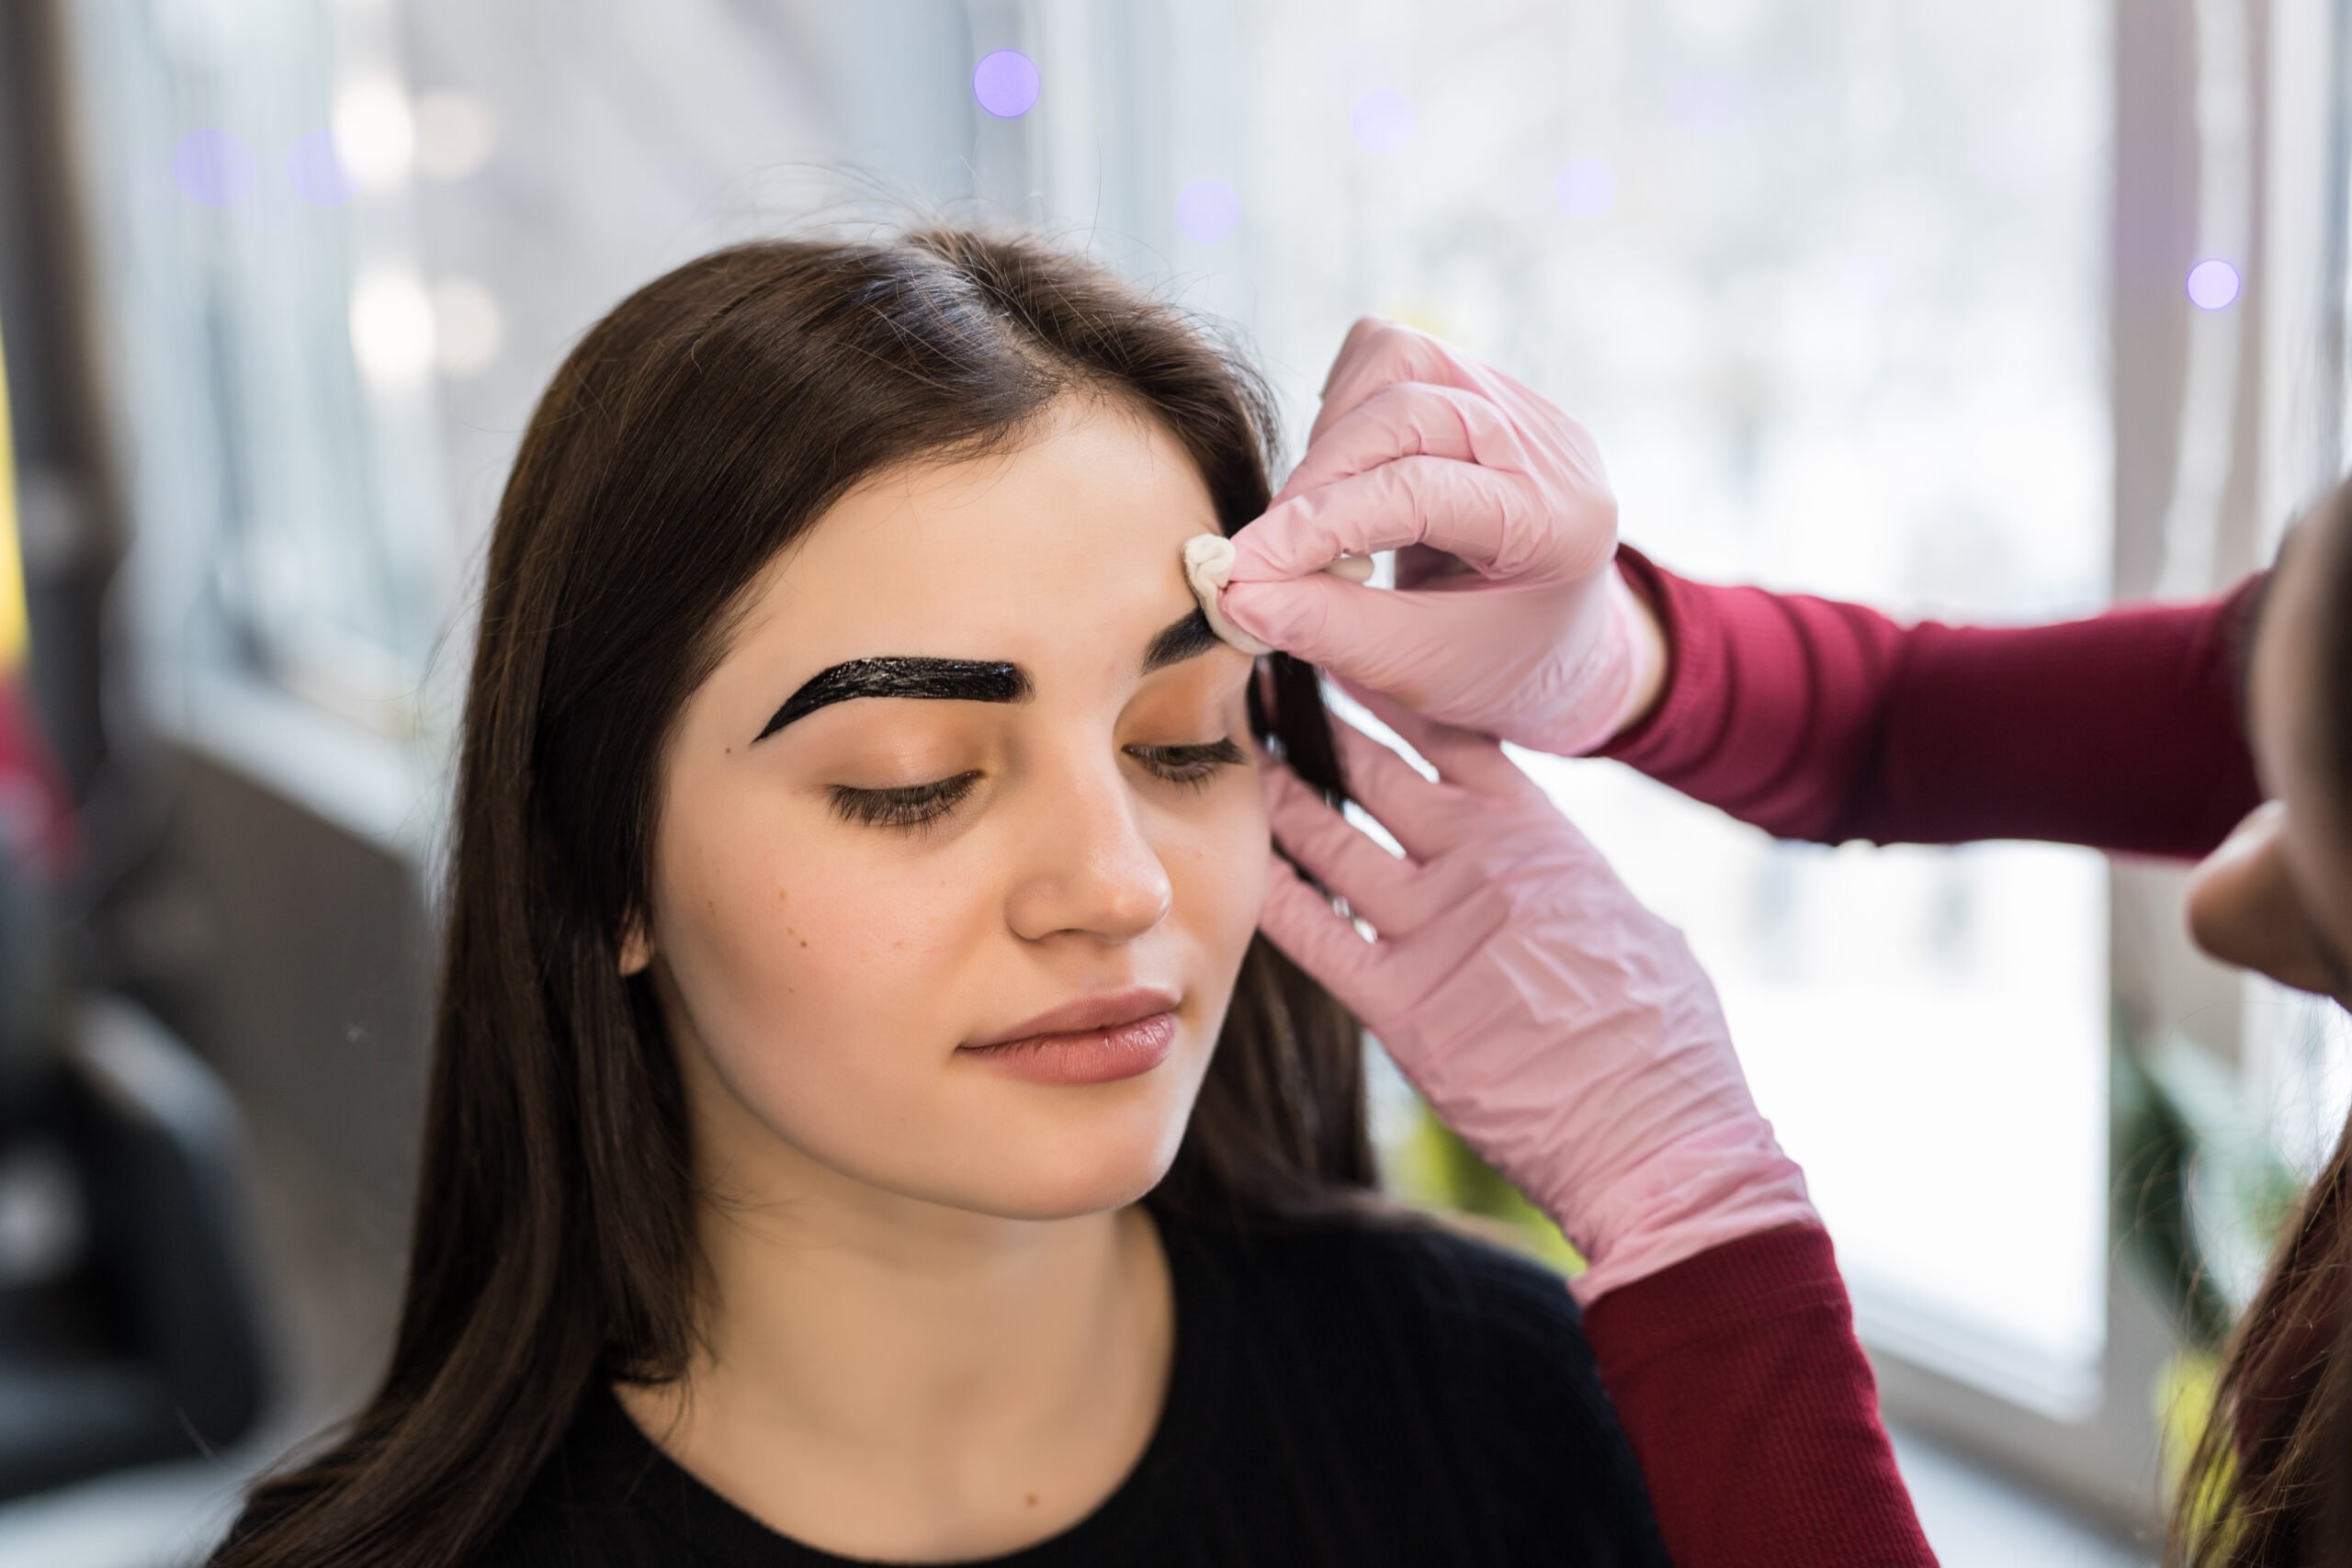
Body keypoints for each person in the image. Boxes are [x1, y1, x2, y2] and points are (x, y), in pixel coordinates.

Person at [213, 234, 1678, 1568]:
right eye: (913, 781)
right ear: (600, 870)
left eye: (1183, 743)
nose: (1116, 884)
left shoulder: (1498, 1402)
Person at [1216, 317, 2345, 1566]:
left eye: (2328, 888)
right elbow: (1895, 721)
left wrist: (1690, 1208)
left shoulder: (1475, 1403)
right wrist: (1610, 654)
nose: (2219, 899)